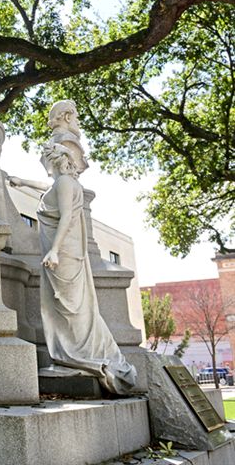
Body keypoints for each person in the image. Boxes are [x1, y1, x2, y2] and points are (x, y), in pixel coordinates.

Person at [38, 141, 137, 394]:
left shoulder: (63, 183)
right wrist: (21, 182)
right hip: (67, 253)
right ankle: (77, 353)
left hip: (63, 254)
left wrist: (54, 250)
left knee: (67, 306)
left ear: (52, 160)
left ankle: (77, 355)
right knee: (71, 307)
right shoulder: (68, 183)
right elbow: (51, 193)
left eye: (44, 159)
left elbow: (67, 216)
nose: (42, 164)